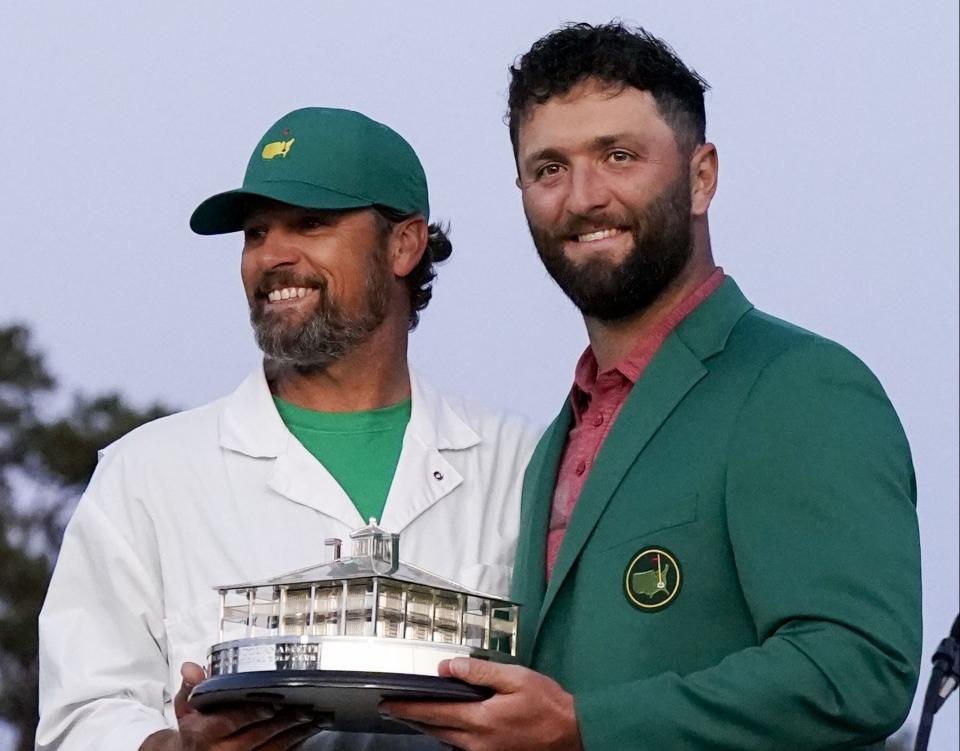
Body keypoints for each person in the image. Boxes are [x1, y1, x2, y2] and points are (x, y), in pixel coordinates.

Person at [384, 22, 922, 750]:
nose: (583, 197)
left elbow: (859, 669)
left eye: (619, 156)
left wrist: (586, 728)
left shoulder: (799, 384)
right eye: (548, 169)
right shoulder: (558, 437)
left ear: (701, 176)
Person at [36, 107, 537, 751]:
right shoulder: (146, 474)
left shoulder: (522, 463)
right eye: (254, 232)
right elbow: (79, 714)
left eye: (311, 223)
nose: (272, 255)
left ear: (404, 244)